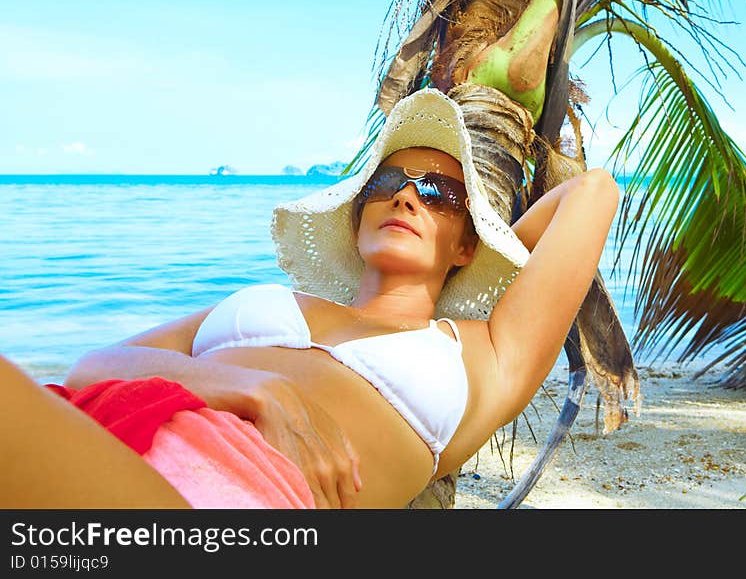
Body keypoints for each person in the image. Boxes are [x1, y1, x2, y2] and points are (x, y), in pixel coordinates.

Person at [0, 87, 620, 509]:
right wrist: (254, 390)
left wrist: (476, 249)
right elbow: (92, 368)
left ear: (467, 243)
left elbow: (591, 194)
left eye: (437, 192)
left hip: (227, 492)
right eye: (389, 182)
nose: (406, 197)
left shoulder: (479, 356)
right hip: (100, 427)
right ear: (355, 218)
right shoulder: (264, 303)